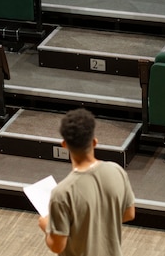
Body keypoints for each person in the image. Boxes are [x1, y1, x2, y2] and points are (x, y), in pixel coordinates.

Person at [38, 108, 135, 256]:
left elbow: (57, 246)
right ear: (94, 141)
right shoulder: (117, 171)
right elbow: (129, 213)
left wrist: (46, 226)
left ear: (64, 144)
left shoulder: (62, 193)